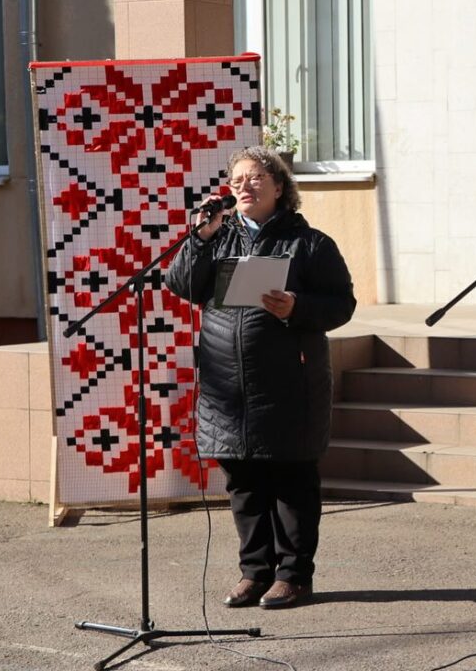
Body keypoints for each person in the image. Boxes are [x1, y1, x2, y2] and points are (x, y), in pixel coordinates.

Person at [165, 146, 356, 609]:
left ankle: (293, 575)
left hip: (288, 383)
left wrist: (298, 308)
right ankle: (255, 573)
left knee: (291, 479)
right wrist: (202, 238)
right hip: (225, 386)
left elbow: (342, 305)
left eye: (254, 178)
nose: (243, 186)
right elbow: (183, 285)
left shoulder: (311, 244)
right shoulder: (218, 236)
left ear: (278, 187)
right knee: (244, 482)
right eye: (237, 179)